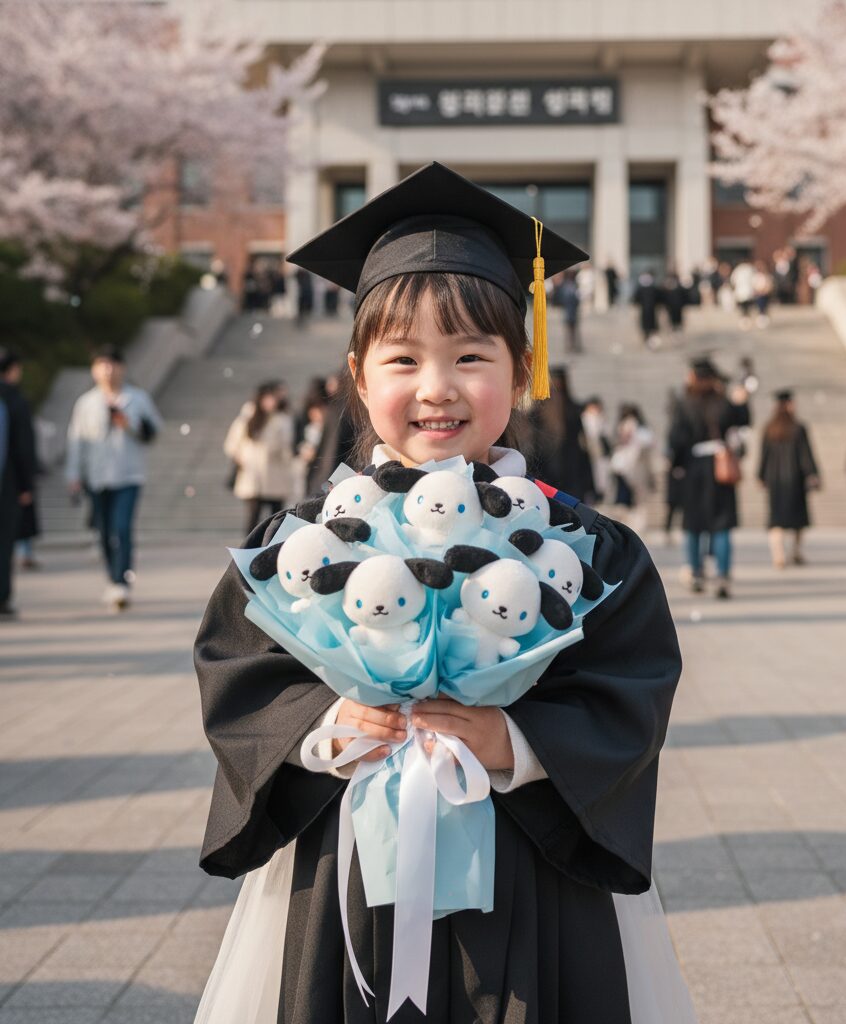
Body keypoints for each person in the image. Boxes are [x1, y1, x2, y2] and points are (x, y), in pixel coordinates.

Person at [192, 162, 692, 1024]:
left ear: (522, 365)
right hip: (346, 866)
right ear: (357, 373)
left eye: (471, 356)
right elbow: (240, 678)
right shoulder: (303, 545)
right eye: (403, 358)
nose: (437, 387)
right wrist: (321, 729)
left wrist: (516, 740)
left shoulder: (587, 547)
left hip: (532, 868)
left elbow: (631, 693)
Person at [65, 346, 162, 611]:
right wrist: (73, 474)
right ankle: (112, 577)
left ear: (122, 368)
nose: (107, 370)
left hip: (129, 475)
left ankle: (121, 581)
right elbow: (76, 441)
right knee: (104, 530)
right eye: (101, 365)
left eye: (111, 364)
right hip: (96, 477)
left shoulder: (137, 398)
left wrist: (128, 424)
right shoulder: (86, 403)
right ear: (94, 370)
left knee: (121, 527)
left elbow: (154, 430)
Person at [669, 356, 751, 599]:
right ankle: (723, 575)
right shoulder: (723, 402)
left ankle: (695, 572)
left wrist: (677, 465)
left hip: (694, 468)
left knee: (693, 525)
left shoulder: (685, 403)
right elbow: (744, 420)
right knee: (722, 525)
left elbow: (676, 439)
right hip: (719, 469)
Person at [758, 389, 820, 568]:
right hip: (795, 478)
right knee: (797, 518)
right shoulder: (798, 428)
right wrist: (812, 473)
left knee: (776, 518)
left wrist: (761, 475)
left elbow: (764, 455)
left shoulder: (769, 428)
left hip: (775, 479)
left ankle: (778, 554)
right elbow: (806, 454)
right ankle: (795, 551)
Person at [223, 381, 295, 536]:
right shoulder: (249, 414)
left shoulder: (282, 419)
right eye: (268, 398)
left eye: (274, 398)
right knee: (252, 516)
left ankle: (273, 548)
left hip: (275, 475)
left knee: (276, 517)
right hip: (252, 475)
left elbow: (286, 448)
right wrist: (240, 457)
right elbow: (233, 441)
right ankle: (249, 549)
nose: (271, 402)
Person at [0, 349, 36, 619]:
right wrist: (26, 485)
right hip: (7, 484)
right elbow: (23, 448)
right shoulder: (14, 400)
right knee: (4, 544)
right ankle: (3, 597)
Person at [528, 365, 594, 501]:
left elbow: (583, 445)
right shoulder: (537, 413)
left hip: (572, 468)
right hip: (545, 469)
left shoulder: (573, 410)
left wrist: (589, 482)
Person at [609, 403, 654, 531]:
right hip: (622, 467)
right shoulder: (623, 428)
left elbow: (647, 442)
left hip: (636, 468)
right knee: (623, 499)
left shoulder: (642, 432)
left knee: (637, 500)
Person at [580, 395, 611, 504]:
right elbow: (593, 433)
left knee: (601, 476)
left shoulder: (600, 418)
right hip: (589, 452)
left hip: (599, 452)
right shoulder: (587, 417)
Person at [632, 268, 661, 348]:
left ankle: (649, 339)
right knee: (649, 326)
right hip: (648, 310)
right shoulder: (651, 288)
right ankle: (648, 339)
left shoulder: (645, 288)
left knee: (649, 326)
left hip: (648, 310)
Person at [558, 269, 582, 353]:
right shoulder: (572, 286)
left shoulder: (565, 286)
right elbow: (576, 300)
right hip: (571, 312)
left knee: (570, 330)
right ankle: (571, 346)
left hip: (569, 312)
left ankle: (571, 346)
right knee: (572, 330)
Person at [730, 259, 757, 329]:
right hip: (747, 291)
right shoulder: (750, 269)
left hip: (742, 291)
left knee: (743, 307)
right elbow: (754, 280)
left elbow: (733, 281)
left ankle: (744, 318)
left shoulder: (738, 269)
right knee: (746, 307)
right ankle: (746, 318)